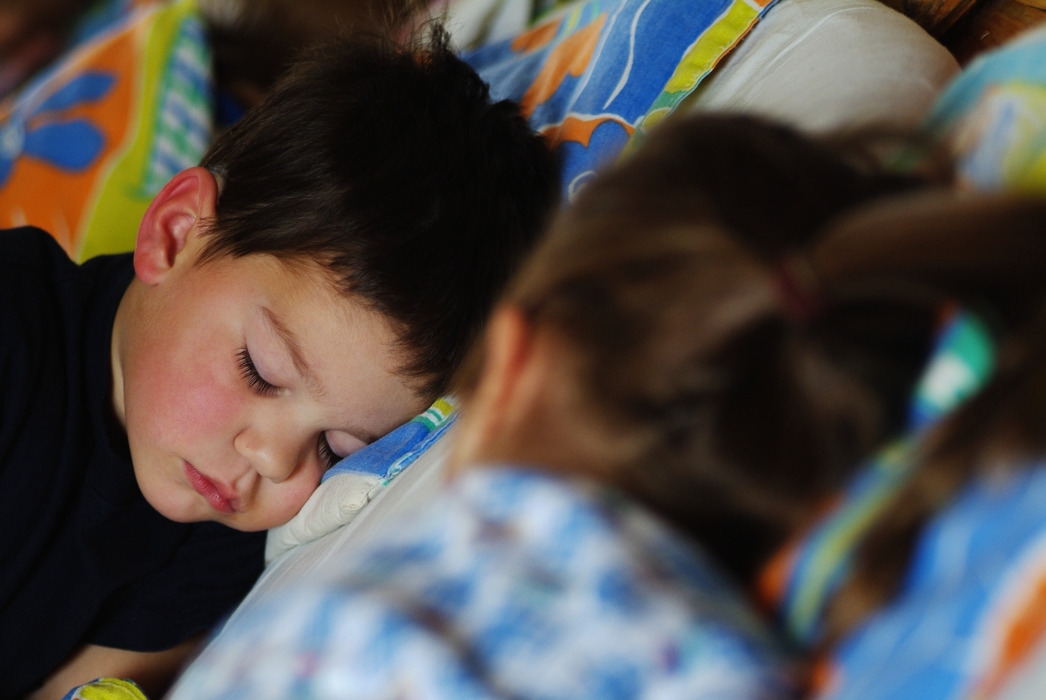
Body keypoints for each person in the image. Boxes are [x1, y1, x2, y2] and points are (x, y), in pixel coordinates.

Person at [168, 113, 1046, 699]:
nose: (283, 461)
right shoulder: (754, 669)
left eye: (342, 446)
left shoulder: (339, 628)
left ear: (509, 362)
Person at [0, 28, 558, 700]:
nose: (274, 461)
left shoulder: (218, 535)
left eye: (333, 446)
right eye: (260, 371)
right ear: (174, 233)